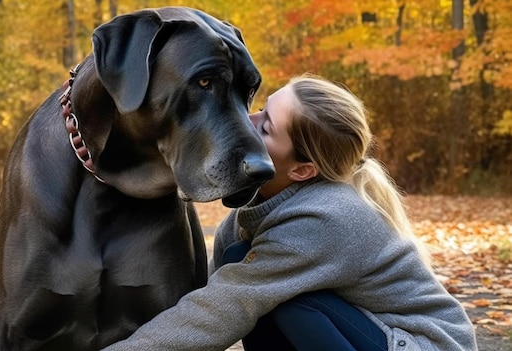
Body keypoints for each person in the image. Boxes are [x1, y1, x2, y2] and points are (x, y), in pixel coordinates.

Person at [102, 74, 478, 351]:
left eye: (266, 127)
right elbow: (210, 294)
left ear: (302, 170)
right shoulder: (259, 203)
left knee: (285, 298)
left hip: (421, 344)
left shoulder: (325, 219)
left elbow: (225, 306)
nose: (246, 122)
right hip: (367, 331)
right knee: (246, 268)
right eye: (262, 107)